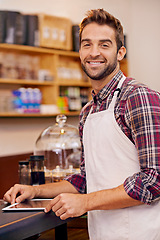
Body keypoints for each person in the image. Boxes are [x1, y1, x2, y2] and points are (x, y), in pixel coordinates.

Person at [3, 9, 160, 240]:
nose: (94, 53)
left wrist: (85, 202)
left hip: (143, 232)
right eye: (87, 44)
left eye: (104, 45)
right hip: (102, 232)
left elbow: (154, 180)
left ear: (120, 52)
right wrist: (36, 191)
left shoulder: (139, 97)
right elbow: (86, 179)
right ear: (79, 52)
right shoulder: (88, 112)